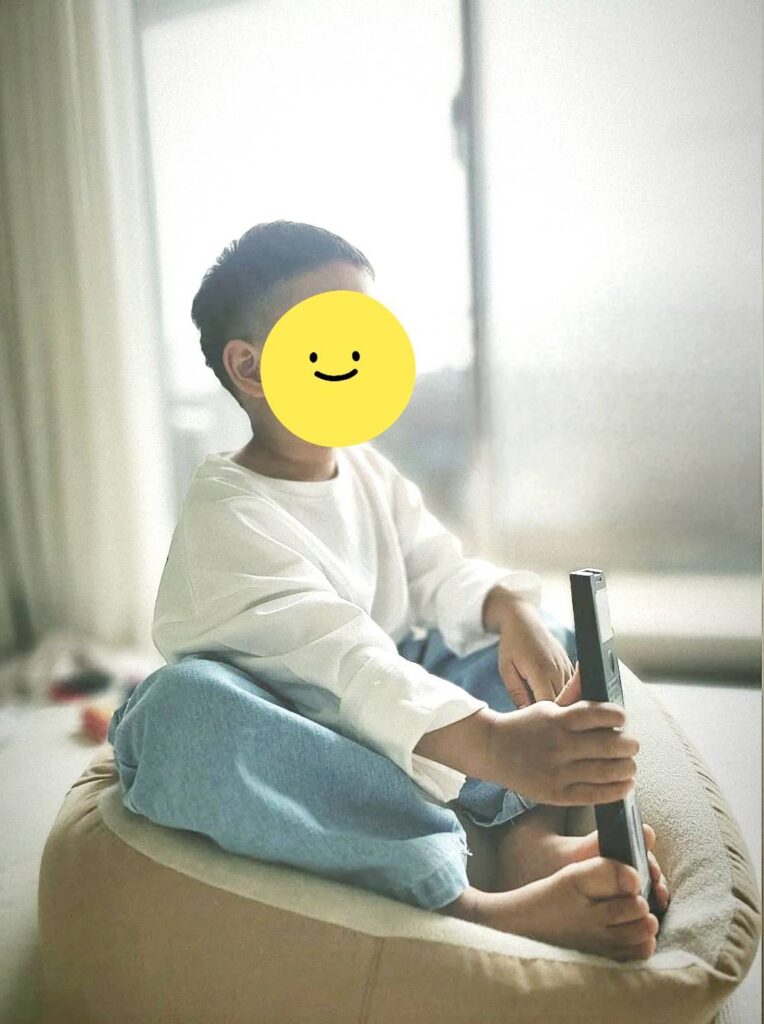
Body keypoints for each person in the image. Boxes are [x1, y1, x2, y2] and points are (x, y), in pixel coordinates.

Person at [108, 221, 670, 962]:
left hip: (396, 710)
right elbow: (344, 663)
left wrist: (509, 610)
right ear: (250, 367)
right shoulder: (228, 515)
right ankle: (473, 906)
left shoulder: (364, 469)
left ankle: (524, 846)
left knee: (539, 644)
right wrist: (494, 743)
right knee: (177, 713)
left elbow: (437, 568)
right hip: (302, 731)